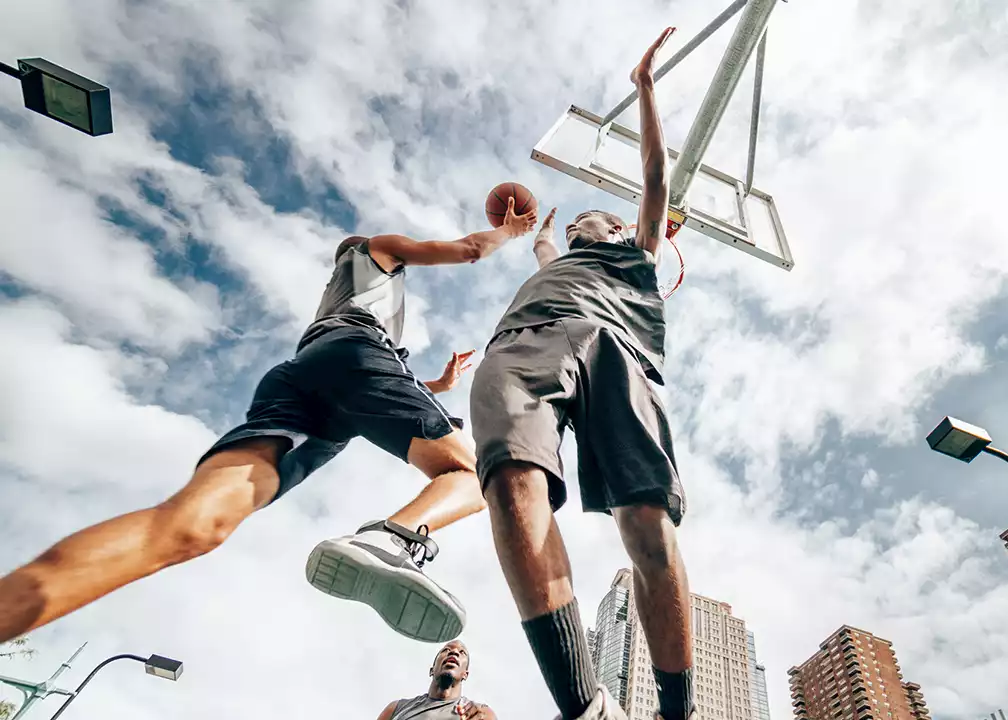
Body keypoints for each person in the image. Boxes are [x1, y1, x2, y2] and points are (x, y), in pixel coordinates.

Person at [0, 202, 538, 645]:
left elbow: (363, 382)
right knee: (487, 472)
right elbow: (468, 251)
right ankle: (391, 539)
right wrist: (507, 232)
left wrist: (437, 386)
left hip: (304, 376)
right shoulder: (381, 248)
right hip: (355, 358)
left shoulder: (342, 289)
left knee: (190, 525)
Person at [469, 28, 698, 720]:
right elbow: (544, 242)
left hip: (612, 350)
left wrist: (646, 91)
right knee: (511, 485)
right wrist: (533, 228)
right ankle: (585, 707)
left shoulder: (639, 257)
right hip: (524, 344)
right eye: (572, 233)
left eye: (588, 224)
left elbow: (656, 176)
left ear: (621, 231)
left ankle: (676, 709)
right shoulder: (554, 265)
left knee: (646, 527)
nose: (577, 233)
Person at [377, 640, 496, 720]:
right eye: (446, 650)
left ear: (465, 674)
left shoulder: (479, 713)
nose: (454, 652)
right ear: (432, 670)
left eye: (462, 652)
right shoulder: (396, 708)